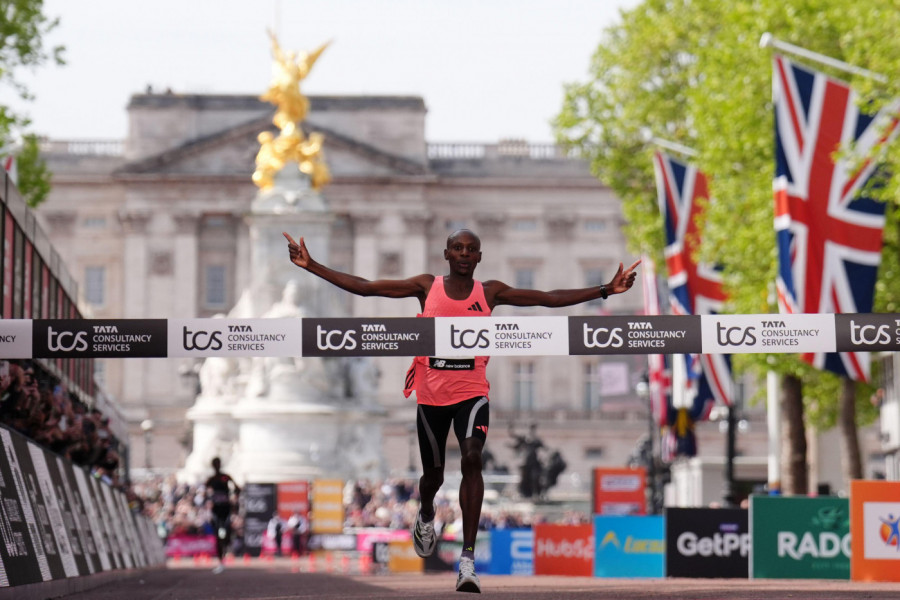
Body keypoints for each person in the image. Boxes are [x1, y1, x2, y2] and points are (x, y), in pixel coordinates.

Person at [283, 228, 639, 593]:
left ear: (479, 257)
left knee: (472, 458)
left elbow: (547, 297)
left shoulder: (490, 292)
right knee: (432, 478)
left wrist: (605, 290)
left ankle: (467, 560)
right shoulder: (427, 287)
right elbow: (368, 287)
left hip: (472, 393)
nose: (465, 254)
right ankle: (425, 513)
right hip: (432, 396)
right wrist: (312, 266)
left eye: (471, 249)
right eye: (458, 248)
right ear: (447, 254)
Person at [206, 457, 240, 573]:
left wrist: (233, 498)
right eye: (214, 464)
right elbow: (204, 492)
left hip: (226, 509)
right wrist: (210, 500)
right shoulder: (211, 479)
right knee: (217, 536)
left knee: (225, 533)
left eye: (218, 464)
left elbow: (237, 488)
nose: (216, 466)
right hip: (216, 510)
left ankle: (227, 545)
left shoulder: (225, 477)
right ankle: (221, 561)